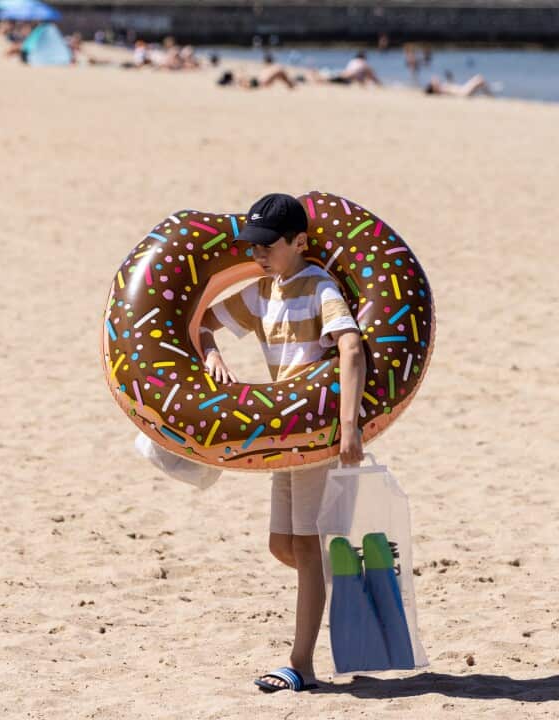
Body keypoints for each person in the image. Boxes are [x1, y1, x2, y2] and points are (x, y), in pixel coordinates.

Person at [198, 193, 365, 693]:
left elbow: (351, 346)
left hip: (315, 435)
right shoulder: (263, 292)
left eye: (268, 245)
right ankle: (337, 579)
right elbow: (205, 323)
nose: (258, 254)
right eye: (254, 246)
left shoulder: (318, 288)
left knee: (307, 551)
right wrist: (212, 355)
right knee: (283, 546)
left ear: (299, 242)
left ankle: (302, 665)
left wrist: (349, 427)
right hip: (283, 435)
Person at [424, 74, 495, 98]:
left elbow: (436, 81)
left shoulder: (440, 88)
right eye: (433, 84)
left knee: (479, 79)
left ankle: (488, 94)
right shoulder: (439, 90)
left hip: (463, 90)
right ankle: (490, 95)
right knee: (479, 79)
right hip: (463, 92)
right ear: (433, 88)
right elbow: (435, 81)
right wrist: (434, 82)